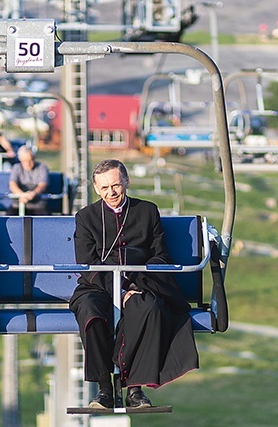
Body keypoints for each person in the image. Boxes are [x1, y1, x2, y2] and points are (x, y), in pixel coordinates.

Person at [69, 159, 198, 410]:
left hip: (142, 283)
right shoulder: (86, 217)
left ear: (127, 182)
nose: (112, 193)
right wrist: (119, 290)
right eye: (105, 188)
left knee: (149, 309)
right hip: (98, 286)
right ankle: (104, 389)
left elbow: (160, 255)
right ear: (96, 189)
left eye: (116, 185)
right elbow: (87, 263)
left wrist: (136, 285)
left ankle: (135, 390)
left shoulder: (147, 211)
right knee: (90, 313)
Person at [7, 146, 50, 215]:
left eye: (31, 160)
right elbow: (12, 184)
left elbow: (43, 185)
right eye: (25, 161)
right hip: (18, 204)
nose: (28, 164)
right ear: (20, 160)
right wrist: (22, 195)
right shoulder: (16, 168)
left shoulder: (42, 167)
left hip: (38, 204)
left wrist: (33, 193)